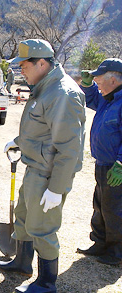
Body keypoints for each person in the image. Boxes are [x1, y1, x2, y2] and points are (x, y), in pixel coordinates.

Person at [0, 39, 86, 292]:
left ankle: (46, 283)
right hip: (35, 166)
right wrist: (18, 143)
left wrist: (57, 188)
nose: (20, 70)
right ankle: (23, 262)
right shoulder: (45, 87)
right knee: (24, 218)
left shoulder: (62, 94)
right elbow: (41, 130)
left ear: (42, 63)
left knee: (43, 228)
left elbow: (69, 148)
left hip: (49, 173)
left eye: (24, 65)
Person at [76, 58, 122, 266]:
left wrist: (121, 163)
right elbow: (91, 99)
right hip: (102, 163)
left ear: (113, 80)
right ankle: (100, 242)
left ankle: (117, 251)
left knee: (115, 208)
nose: (97, 84)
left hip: (116, 167)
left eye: (99, 80)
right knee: (100, 204)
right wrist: (87, 85)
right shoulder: (108, 97)